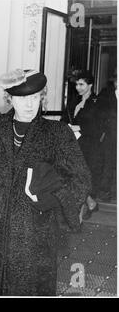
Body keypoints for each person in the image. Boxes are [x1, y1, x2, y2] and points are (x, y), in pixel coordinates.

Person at [0, 69, 91, 296]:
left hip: (34, 233)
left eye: (35, 97)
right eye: (23, 98)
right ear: (10, 99)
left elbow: (80, 179)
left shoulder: (58, 133)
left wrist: (48, 199)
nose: (30, 104)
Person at [61, 70, 104, 219]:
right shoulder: (73, 102)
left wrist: (79, 127)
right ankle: (89, 202)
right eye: (77, 84)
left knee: (80, 176)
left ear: (90, 85)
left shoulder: (97, 102)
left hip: (89, 145)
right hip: (74, 143)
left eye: (81, 84)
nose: (78, 87)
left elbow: (99, 126)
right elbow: (64, 119)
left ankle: (80, 212)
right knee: (72, 174)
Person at [97, 70, 117, 201]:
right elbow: (99, 112)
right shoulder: (105, 93)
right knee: (108, 162)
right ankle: (105, 191)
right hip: (110, 133)